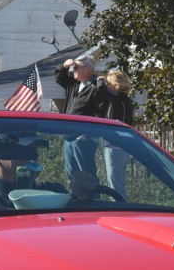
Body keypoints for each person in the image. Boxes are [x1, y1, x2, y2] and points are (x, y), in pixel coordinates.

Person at [54, 54, 101, 183]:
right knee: (72, 175)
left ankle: (93, 200)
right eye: (73, 67)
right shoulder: (74, 84)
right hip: (69, 136)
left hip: (83, 138)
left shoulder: (96, 86)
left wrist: (86, 134)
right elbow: (59, 77)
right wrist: (64, 66)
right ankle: (75, 199)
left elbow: (99, 113)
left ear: (87, 69)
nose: (73, 70)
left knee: (86, 173)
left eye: (76, 67)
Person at [96, 70, 135, 200]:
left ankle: (119, 207)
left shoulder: (118, 99)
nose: (106, 84)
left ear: (114, 84)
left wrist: (100, 78)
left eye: (109, 82)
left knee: (115, 183)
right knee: (116, 181)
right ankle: (118, 205)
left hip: (115, 146)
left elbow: (100, 88)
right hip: (122, 146)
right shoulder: (125, 100)